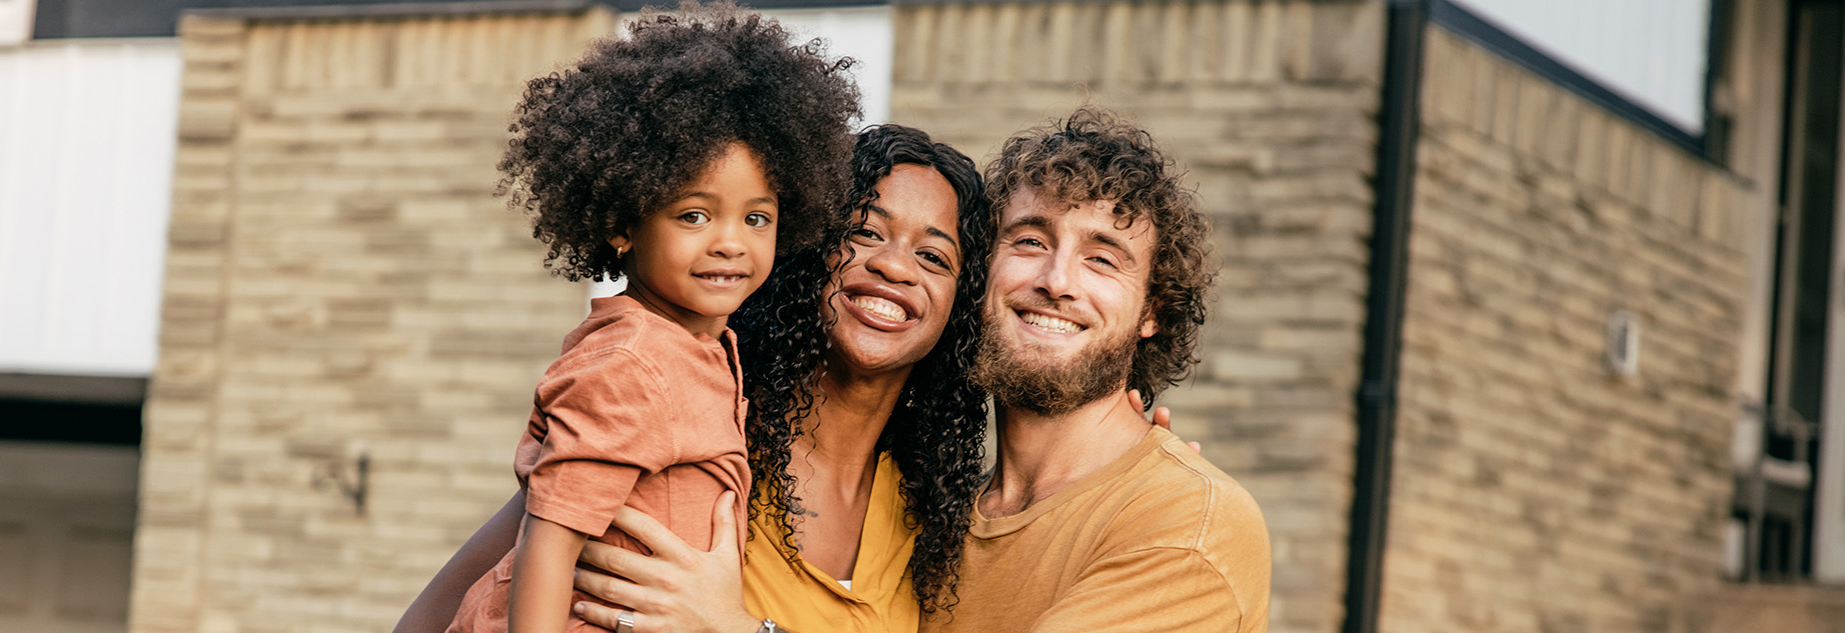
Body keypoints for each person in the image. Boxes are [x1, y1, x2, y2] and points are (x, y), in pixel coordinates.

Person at [400, 123, 994, 633]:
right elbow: (442, 614)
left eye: (934, 256)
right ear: (809, 243)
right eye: (865, 231)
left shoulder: (930, 517)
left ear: (959, 306)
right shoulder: (673, 415)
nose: (893, 265)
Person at [432, 4, 861, 633]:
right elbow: (549, 541)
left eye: (756, 217)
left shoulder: (704, 349)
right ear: (622, 224)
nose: (730, 242)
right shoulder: (630, 363)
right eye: (694, 215)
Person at [922, 106, 1271, 632]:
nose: (1056, 280)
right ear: (980, 271)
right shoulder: (935, 515)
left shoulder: (1187, 520)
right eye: (1031, 241)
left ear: (1152, 311)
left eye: (1102, 259)